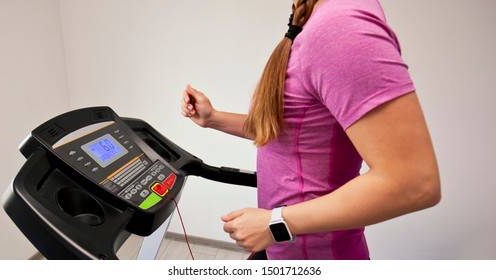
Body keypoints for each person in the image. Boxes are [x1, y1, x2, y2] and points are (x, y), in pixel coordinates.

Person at [180, 0, 440, 260]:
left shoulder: (341, 26)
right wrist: (213, 118)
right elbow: (288, 132)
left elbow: (412, 182)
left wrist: (276, 223)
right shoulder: (313, 24)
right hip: (284, 249)